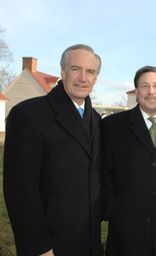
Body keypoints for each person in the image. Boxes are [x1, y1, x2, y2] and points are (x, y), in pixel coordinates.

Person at [3, 44, 102, 256]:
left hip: (89, 241)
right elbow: (19, 189)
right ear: (63, 72)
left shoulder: (96, 120)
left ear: (96, 78)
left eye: (90, 72)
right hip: (50, 245)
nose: (83, 77)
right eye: (76, 69)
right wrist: (38, 246)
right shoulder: (29, 115)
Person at [101, 66, 156, 256]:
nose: (151, 92)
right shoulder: (112, 126)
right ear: (136, 90)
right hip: (126, 228)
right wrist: (113, 209)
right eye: (145, 86)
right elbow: (103, 171)